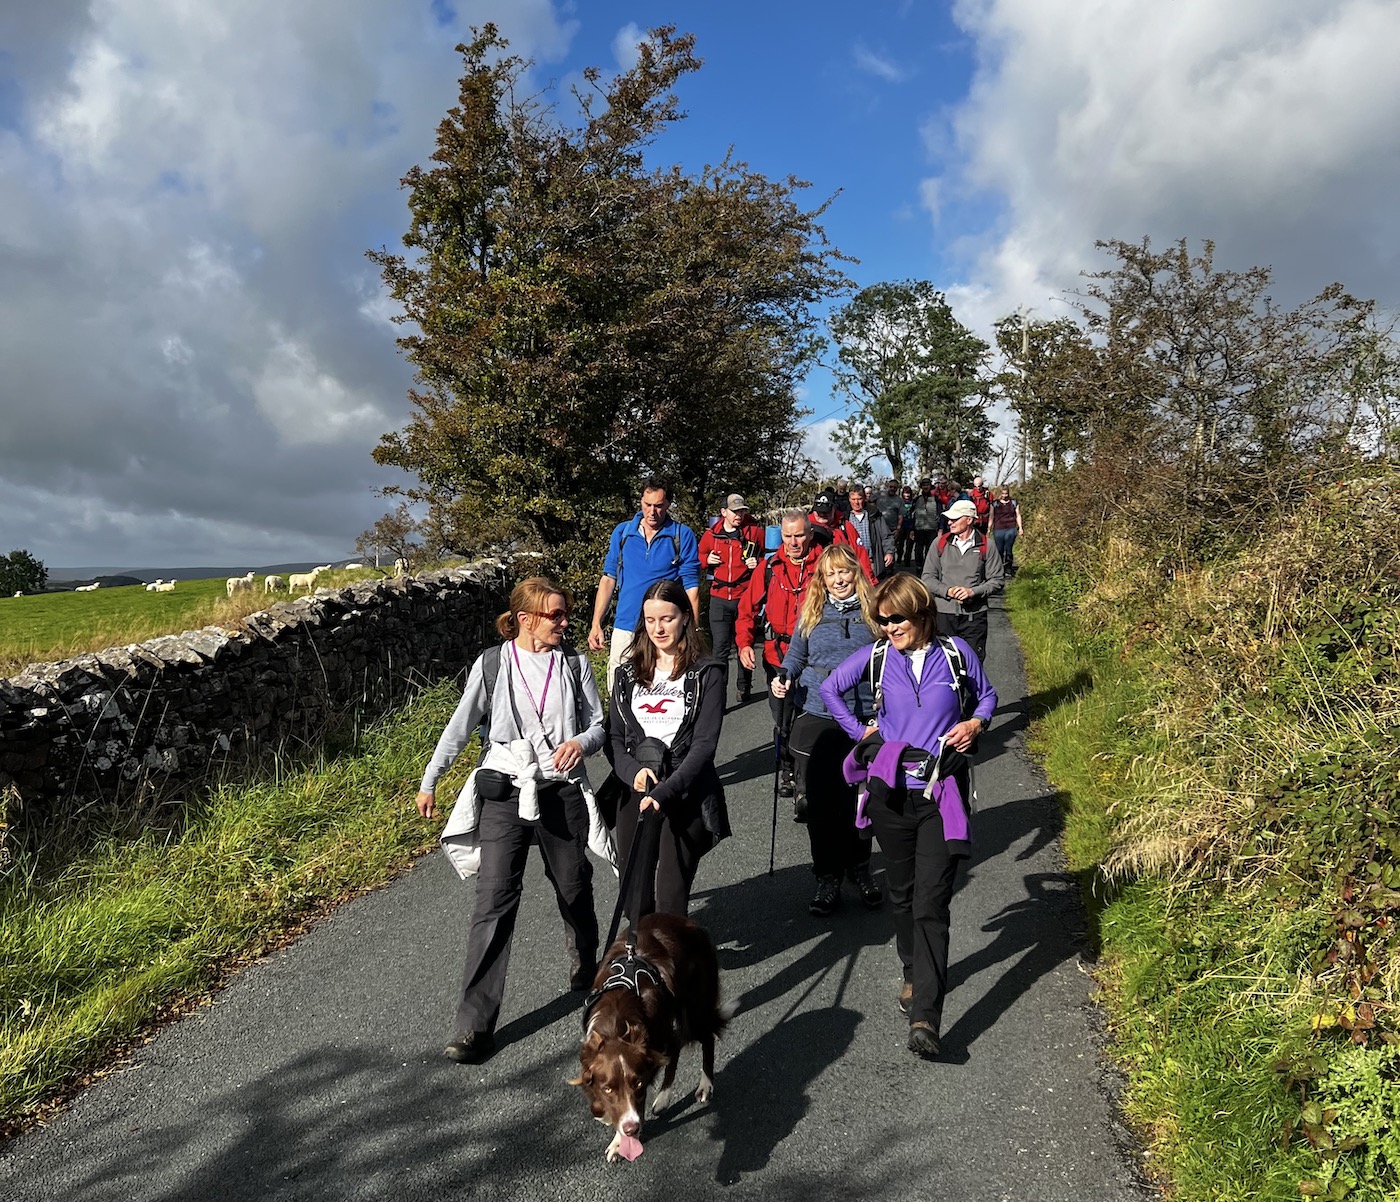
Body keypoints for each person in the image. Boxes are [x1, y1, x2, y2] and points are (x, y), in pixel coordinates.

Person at [416, 576, 610, 1065]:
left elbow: (599, 725)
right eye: (556, 616)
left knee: (574, 887)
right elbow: (460, 726)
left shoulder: (574, 664)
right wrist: (430, 779)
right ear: (525, 619)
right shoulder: (492, 664)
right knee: (494, 901)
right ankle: (474, 1027)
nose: (566, 623)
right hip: (506, 793)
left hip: (560, 789)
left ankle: (587, 969)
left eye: (567, 615)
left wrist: (580, 744)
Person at [820, 574, 996, 1060]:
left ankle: (926, 1016)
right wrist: (864, 733)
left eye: (896, 618)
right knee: (901, 894)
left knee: (931, 902)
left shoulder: (957, 653)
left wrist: (975, 721)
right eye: (881, 618)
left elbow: (987, 696)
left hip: (942, 794)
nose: (887, 626)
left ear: (921, 614)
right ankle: (910, 969)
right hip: (891, 796)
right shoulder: (879, 658)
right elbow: (831, 688)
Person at [606, 578, 730, 917]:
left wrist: (664, 793)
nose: (658, 629)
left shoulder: (708, 672)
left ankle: (672, 966)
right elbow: (615, 739)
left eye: (667, 619)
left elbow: (705, 746)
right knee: (634, 898)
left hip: (684, 789)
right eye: (650, 620)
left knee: (671, 899)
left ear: (686, 618)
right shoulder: (627, 674)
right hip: (637, 786)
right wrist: (634, 773)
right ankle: (642, 965)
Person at [771, 543, 883, 916]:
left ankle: (860, 868)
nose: (838, 579)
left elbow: (891, 656)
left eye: (844, 572)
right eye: (830, 573)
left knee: (860, 800)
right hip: (818, 711)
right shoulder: (812, 611)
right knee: (819, 801)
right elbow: (796, 656)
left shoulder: (875, 612)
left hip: (863, 716)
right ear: (822, 578)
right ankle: (827, 876)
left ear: (856, 573)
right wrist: (783, 676)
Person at [737, 510, 821, 797]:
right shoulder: (770, 566)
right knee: (783, 718)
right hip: (777, 655)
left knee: (809, 716)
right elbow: (747, 607)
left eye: (799, 535)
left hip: (814, 657)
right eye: (788, 536)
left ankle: (806, 775)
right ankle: (786, 769)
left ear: (810, 534)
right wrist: (745, 643)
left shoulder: (825, 565)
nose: (794, 542)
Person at [589, 479, 701, 680]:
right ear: (640, 501)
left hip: (663, 629)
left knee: (661, 689)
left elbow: (691, 588)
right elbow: (608, 579)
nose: (652, 511)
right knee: (618, 687)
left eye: (658, 506)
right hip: (625, 625)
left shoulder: (682, 535)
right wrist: (596, 622)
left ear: (668, 504)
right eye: (647, 504)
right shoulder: (623, 533)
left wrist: (691, 630)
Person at [698, 493, 765, 705]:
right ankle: (718, 697)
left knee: (744, 643)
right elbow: (698, 557)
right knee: (720, 649)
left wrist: (758, 563)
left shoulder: (754, 533)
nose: (739, 515)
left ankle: (744, 687)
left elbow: (767, 558)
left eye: (742, 511)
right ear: (723, 512)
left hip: (744, 595)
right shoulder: (711, 535)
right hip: (718, 596)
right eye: (735, 511)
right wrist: (706, 559)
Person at [920, 497, 1005, 663]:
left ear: (969, 520)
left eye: (955, 518)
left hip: (974, 617)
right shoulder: (939, 543)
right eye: (949, 519)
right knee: (942, 665)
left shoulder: (987, 545)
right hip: (943, 615)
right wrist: (948, 591)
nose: (950, 522)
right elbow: (927, 578)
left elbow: (997, 581)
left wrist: (972, 592)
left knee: (972, 665)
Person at [808, 490, 877, 580]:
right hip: (814, 582)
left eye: (826, 512)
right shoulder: (804, 527)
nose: (822, 515)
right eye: (819, 511)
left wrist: (870, 582)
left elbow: (861, 555)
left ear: (834, 509)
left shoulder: (845, 526)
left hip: (842, 581)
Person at [846, 485, 894, 577]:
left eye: (859, 499)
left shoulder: (874, 514)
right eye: (853, 499)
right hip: (852, 564)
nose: (856, 502)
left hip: (871, 562)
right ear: (849, 499)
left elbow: (886, 535)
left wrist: (889, 552)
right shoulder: (845, 517)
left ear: (864, 498)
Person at [990, 486, 1023, 574]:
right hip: (998, 528)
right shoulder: (995, 504)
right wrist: (989, 528)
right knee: (999, 549)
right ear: (1000, 493)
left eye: (1006, 493)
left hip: (1010, 527)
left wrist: (1020, 528)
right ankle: (1000, 568)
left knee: (1008, 548)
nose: (1005, 495)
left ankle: (1008, 567)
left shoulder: (1013, 502)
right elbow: (991, 516)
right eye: (1003, 493)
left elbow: (1018, 515)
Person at [911, 480, 940, 568]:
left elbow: (940, 513)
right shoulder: (917, 499)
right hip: (919, 528)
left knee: (930, 549)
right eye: (923, 485)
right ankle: (919, 566)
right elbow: (912, 515)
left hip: (932, 528)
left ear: (930, 486)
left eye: (927, 485)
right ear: (921, 487)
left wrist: (939, 528)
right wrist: (912, 529)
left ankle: (928, 566)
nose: (925, 487)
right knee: (918, 549)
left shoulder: (936, 499)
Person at [896, 485, 917, 565]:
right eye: (905, 493)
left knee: (909, 544)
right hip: (901, 525)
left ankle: (907, 559)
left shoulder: (913, 503)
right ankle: (899, 557)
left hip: (910, 525)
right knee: (900, 544)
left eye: (908, 493)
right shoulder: (900, 502)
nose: (907, 495)